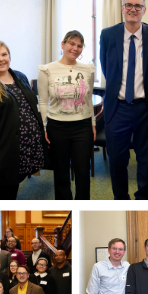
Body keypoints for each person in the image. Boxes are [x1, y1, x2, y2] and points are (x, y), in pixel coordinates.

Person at [99, 0, 148, 200]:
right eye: (128, 5)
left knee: (145, 158)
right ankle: (120, 199)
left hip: (145, 108)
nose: (132, 9)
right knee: (117, 159)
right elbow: (107, 67)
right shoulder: (108, 34)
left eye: (137, 6)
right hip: (117, 107)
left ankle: (143, 199)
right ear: (122, 8)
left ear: (144, 10)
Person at [0, 40, 45, 199]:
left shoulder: (19, 76)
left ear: (9, 56)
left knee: (12, 188)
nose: (1, 59)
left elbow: (32, 106)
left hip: (22, 151)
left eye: (4, 54)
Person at [38, 30, 96, 199]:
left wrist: (93, 124)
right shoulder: (47, 70)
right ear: (63, 44)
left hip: (83, 126)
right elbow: (43, 102)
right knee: (61, 173)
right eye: (72, 43)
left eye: (79, 46)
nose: (75, 48)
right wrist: (44, 127)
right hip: (57, 127)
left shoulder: (87, 70)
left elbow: (89, 98)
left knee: (83, 173)